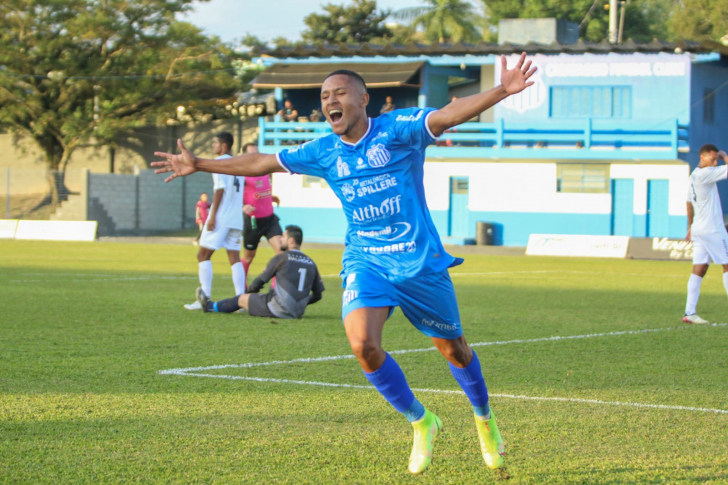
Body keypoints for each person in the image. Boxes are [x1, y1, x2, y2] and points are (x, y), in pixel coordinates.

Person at [154, 52, 536, 474]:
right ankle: (422, 421)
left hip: (418, 262)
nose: (329, 101)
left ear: (363, 99)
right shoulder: (323, 150)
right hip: (365, 260)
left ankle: (484, 420)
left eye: (339, 92)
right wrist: (201, 163)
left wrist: (502, 89)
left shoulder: (399, 130)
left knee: (454, 350)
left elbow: (446, 115)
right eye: (323, 96)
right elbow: (262, 162)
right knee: (363, 345)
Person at [196, 225, 324, 319]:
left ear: (291, 241)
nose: (280, 239)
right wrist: (299, 303)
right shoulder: (311, 262)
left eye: (283, 237)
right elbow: (318, 295)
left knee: (240, 299)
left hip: (278, 309)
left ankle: (209, 306)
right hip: (298, 312)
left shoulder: (281, 258)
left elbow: (259, 282)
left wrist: (245, 298)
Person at [184, 132, 246, 310]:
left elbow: (219, 190)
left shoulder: (219, 163)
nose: (213, 146)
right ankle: (241, 300)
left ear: (224, 146)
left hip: (222, 217)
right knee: (234, 257)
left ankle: (204, 298)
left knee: (202, 255)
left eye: (215, 143)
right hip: (235, 218)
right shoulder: (238, 164)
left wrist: (212, 216)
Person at [683, 144, 728, 324]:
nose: (715, 162)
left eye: (717, 159)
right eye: (713, 158)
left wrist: (690, 226)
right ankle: (689, 312)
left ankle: (689, 312)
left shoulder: (693, 176)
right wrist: (725, 156)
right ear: (702, 157)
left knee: (699, 269)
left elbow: (688, 202)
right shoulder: (705, 174)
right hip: (712, 230)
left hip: (700, 230)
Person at [241, 143, 284, 285]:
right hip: (253, 222)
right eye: (252, 153)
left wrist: (272, 198)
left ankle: (274, 287)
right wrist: (243, 206)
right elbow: (235, 195)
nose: (256, 156)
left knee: (281, 251)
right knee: (248, 257)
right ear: (244, 157)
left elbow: (259, 192)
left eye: (257, 152)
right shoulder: (242, 175)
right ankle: (241, 286)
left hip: (270, 219)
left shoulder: (265, 171)